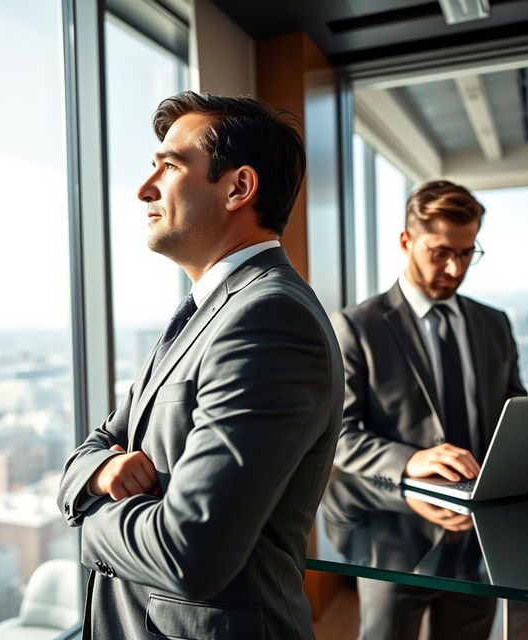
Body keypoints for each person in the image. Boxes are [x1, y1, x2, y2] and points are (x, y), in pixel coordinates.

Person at [57, 91, 344, 640]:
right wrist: (96, 473)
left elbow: (190, 553)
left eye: (169, 167)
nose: (145, 189)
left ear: (238, 187)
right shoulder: (201, 313)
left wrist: (89, 517)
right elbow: (99, 440)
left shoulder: (271, 319)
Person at [331, 179, 527, 639]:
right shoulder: (357, 327)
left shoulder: (493, 323)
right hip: (390, 541)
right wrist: (411, 460)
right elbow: (338, 433)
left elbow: (511, 416)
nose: (455, 267)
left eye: (466, 253)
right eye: (440, 252)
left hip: (480, 542)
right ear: (406, 241)